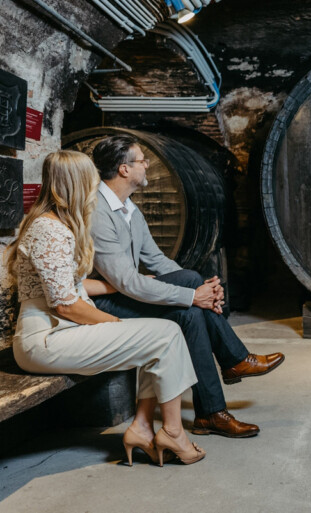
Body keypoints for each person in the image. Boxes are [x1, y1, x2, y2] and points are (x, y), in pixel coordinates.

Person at [5, 150, 204, 466]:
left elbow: (74, 287)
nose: (96, 187)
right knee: (164, 334)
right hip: (44, 339)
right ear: (76, 184)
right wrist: (114, 322)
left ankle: (142, 426)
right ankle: (173, 433)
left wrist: (118, 285)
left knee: (160, 336)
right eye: (91, 180)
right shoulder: (49, 230)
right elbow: (65, 305)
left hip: (64, 331)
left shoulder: (60, 223)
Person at [88, 135, 284, 438]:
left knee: (191, 306)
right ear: (123, 169)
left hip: (127, 293)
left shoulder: (129, 209)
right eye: (141, 160)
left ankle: (212, 414)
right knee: (191, 298)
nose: (147, 164)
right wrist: (193, 294)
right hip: (103, 303)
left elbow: (156, 260)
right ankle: (231, 367)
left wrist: (201, 291)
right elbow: (125, 282)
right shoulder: (98, 213)